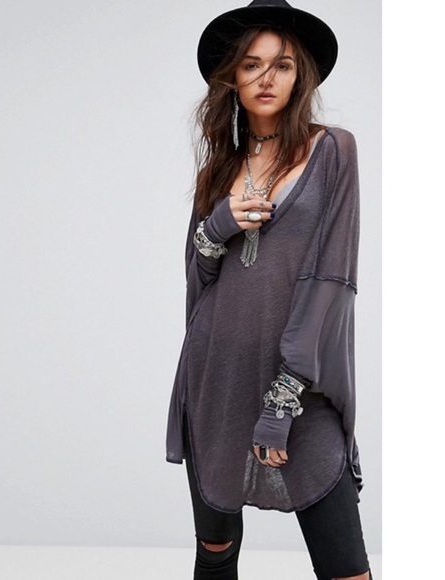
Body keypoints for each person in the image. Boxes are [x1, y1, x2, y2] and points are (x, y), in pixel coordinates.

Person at [165, 1, 373, 579]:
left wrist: (283, 401)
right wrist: (217, 227)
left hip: (298, 384)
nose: (266, 78)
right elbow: (197, 283)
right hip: (217, 374)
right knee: (215, 554)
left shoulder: (332, 149)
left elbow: (331, 280)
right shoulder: (218, 168)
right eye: (251, 64)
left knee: (345, 566)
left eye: (282, 65)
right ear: (232, 76)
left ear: (300, 76)